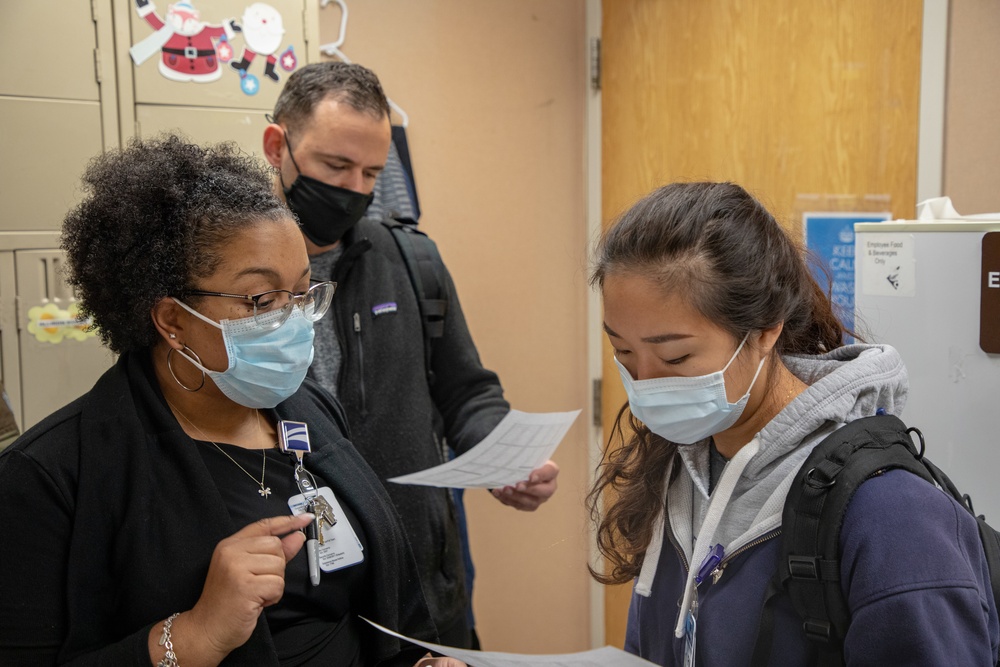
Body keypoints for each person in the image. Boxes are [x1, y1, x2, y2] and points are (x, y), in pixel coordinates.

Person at [0, 135, 463, 667]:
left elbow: (371, 600)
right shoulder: (48, 477)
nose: (291, 320)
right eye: (262, 300)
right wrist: (194, 635)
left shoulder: (309, 410)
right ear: (172, 320)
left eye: (303, 293)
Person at [587, 181, 1000, 665]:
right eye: (623, 353)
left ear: (765, 329)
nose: (645, 383)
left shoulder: (892, 513)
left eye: (675, 357)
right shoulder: (682, 465)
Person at [261, 61, 560, 648]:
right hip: (293, 602)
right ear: (278, 145)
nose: (353, 190)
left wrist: (500, 453)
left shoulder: (410, 260)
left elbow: (467, 391)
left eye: (372, 172)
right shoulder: (222, 277)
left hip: (420, 589)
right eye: (335, 165)